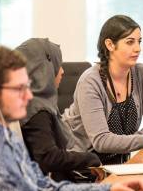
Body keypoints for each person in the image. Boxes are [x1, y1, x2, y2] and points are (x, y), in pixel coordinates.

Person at [0, 44, 143, 191]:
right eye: (19, 88)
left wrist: (109, 188)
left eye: (27, 86)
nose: (28, 96)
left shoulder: (5, 137)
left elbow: (43, 185)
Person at [63, 15, 143, 165]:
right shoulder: (90, 82)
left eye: (139, 42)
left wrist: (130, 141)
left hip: (119, 164)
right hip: (86, 168)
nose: (138, 48)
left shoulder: (141, 73)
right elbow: (101, 141)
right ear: (110, 45)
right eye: (130, 42)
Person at [16, 38, 101, 182]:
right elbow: (48, 158)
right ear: (43, 69)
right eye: (57, 65)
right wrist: (90, 158)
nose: (62, 71)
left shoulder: (38, 104)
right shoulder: (37, 110)